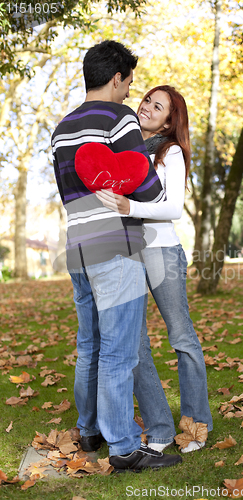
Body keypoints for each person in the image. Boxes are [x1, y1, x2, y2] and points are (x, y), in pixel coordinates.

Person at [51, 42, 182, 472]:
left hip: (77, 248)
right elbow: (139, 175)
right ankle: (123, 447)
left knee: (88, 344)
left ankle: (89, 430)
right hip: (116, 246)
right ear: (115, 78)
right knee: (119, 352)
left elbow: (74, 190)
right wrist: (154, 195)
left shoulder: (62, 127)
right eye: (128, 83)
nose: (130, 94)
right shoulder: (119, 117)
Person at [96, 85, 213, 454]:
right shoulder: (123, 145)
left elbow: (173, 207)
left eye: (157, 105)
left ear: (169, 119)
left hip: (161, 251)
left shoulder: (170, 151)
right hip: (126, 252)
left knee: (181, 337)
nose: (146, 106)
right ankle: (161, 428)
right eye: (146, 99)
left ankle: (197, 425)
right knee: (134, 343)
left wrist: (129, 207)